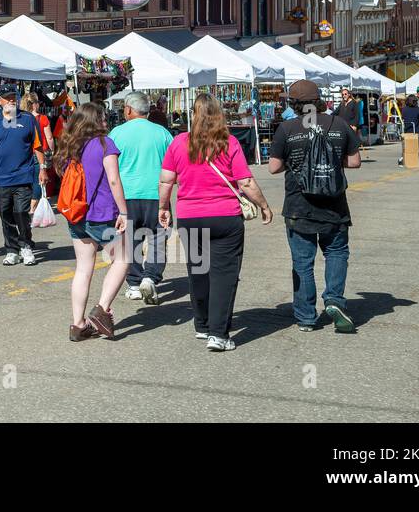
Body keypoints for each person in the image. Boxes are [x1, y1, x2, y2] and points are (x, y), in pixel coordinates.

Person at [158, 93, 273, 352]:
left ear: (194, 115)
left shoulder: (179, 143)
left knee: (198, 271)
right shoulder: (229, 143)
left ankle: (202, 325)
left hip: (190, 217)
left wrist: (164, 207)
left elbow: (166, 180)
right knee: (224, 274)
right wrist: (264, 205)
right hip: (224, 217)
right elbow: (245, 182)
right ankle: (219, 334)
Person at [268, 79, 362, 334]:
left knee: (303, 263)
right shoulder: (338, 124)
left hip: (299, 205)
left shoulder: (287, 128)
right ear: (319, 100)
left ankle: (307, 317)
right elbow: (354, 162)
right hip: (334, 204)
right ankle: (333, 300)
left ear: (294, 104)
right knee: (336, 253)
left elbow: (273, 167)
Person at [56, 103, 131, 341]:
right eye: (102, 117)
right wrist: (124, 212)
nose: (106, 120)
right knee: (123, 258)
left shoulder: (70, 146)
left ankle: (78, 325)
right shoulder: (104, 144)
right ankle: (102, 308)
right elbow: (113, 180)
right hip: (102, 214)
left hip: (76, 213)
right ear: (94, 120)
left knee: (83, 268)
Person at [108, 91, 173, 305]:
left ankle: (134, 283)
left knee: (129, 240)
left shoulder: (117, 133)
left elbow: (109, 167)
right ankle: (150, 277)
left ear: (128, 109)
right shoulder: (162, 133)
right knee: (157, 239)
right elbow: (173, 166)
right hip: (157, 195)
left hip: (126, 197)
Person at [0, 84, 47, 267]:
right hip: (2, 178)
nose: (11, 100)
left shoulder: (28, 119)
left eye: (13, 96)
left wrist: (42, 168)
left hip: (23, 176)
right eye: (6, 97)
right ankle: (11, 250)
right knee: (5, 214)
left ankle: (26, 246)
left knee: (21, 212)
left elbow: (37, 145)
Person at [399, 94, 419, 166]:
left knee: (406, 147)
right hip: (416, 131)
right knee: (417, 146)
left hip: (407, 130)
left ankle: (404, 159)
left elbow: (403, 118)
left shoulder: (404, 109)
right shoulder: (418, 109)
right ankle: (418, 160)